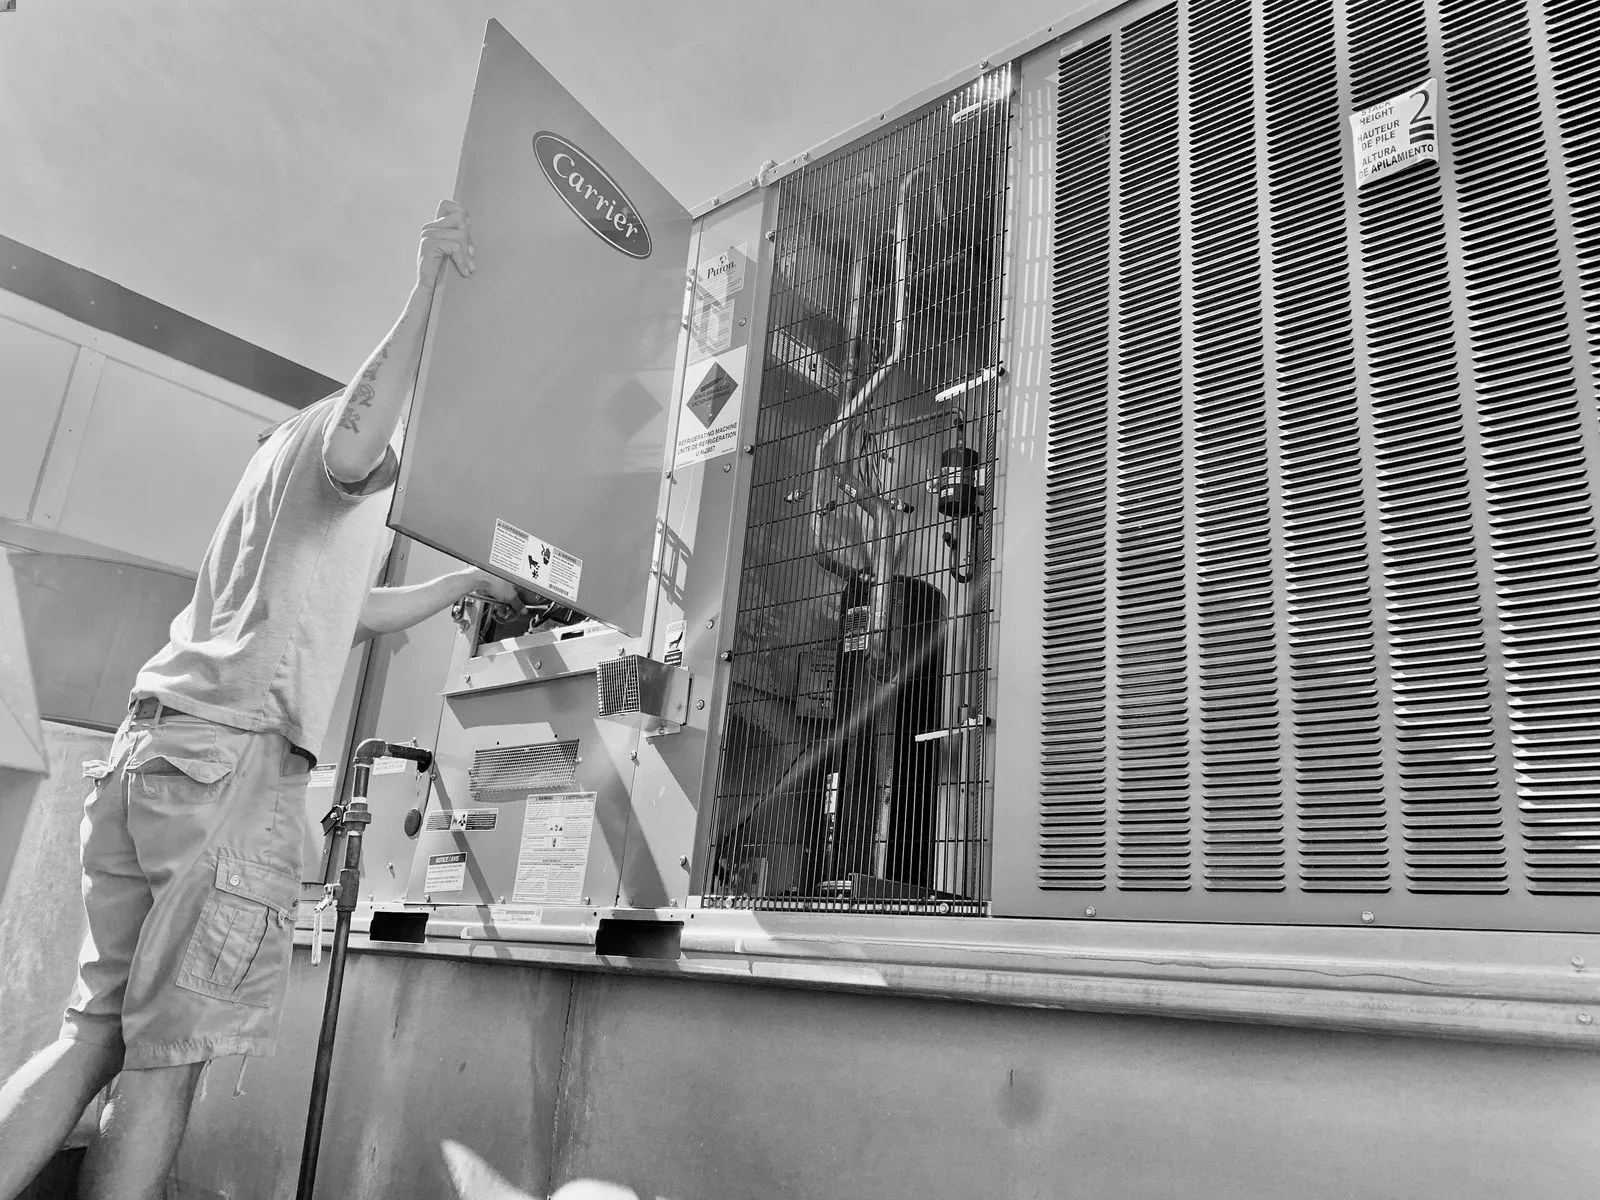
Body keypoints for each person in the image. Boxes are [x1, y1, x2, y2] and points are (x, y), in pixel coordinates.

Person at [0, 200, 521, 1200]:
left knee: (95, 1031)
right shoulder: (341, 445)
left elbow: (351, 611)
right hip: (226, 771)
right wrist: (426, 294)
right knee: (169, 1060)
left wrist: (464, 586)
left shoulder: (276, 487)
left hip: (151, 755)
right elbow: (361, 425)